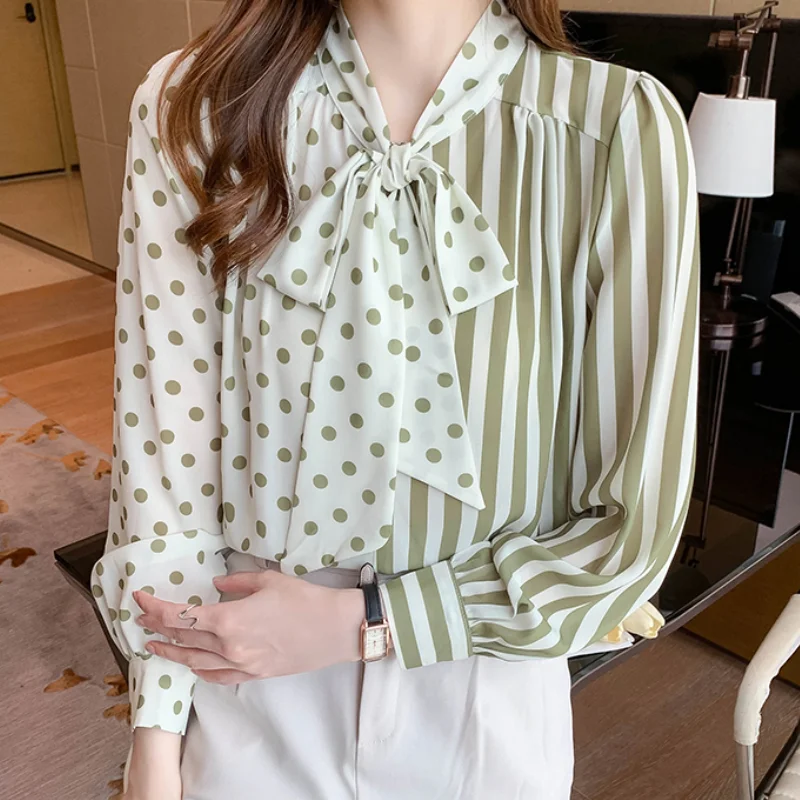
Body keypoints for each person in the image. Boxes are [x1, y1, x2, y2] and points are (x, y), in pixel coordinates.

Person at [89, 0, 700, 797]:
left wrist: (372, 622)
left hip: (486, 695)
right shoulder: (196, 107)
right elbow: (164, 460)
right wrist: (156, 734)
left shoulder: (612, 127)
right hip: (243, 674)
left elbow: (630, 530)